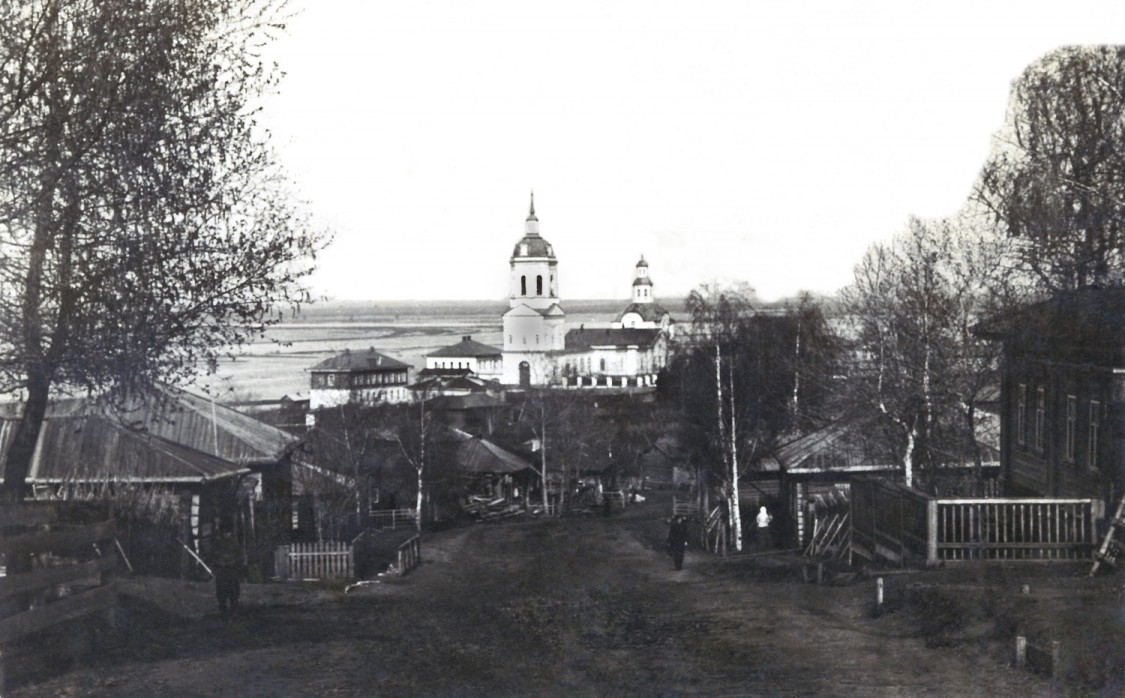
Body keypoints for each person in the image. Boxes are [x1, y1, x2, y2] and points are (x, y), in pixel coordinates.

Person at [211, 528, 245, 617]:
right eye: (225, 532)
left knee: (233, 591)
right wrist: (219, 562)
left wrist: (232, 561)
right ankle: (223, 610)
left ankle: (233, 610)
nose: (227, 534)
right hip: (222, 571)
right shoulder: (218, 544)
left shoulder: (235, 544)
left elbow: (239, 556)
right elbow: (214, 556)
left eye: (228, 532)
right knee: (221, 592)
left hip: (232, 571)